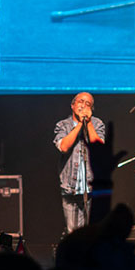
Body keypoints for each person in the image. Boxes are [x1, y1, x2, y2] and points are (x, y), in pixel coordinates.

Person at [53, 92, 106, 234]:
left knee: (92, 233)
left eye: (88, 104)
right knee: (73, 234)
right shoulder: (63, 125)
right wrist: (79, 125)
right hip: (70, 188)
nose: (83, 105)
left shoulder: (97, 124)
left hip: (92, 189)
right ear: (73, 105)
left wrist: (88, 123)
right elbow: (63, 147)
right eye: (80, 102)